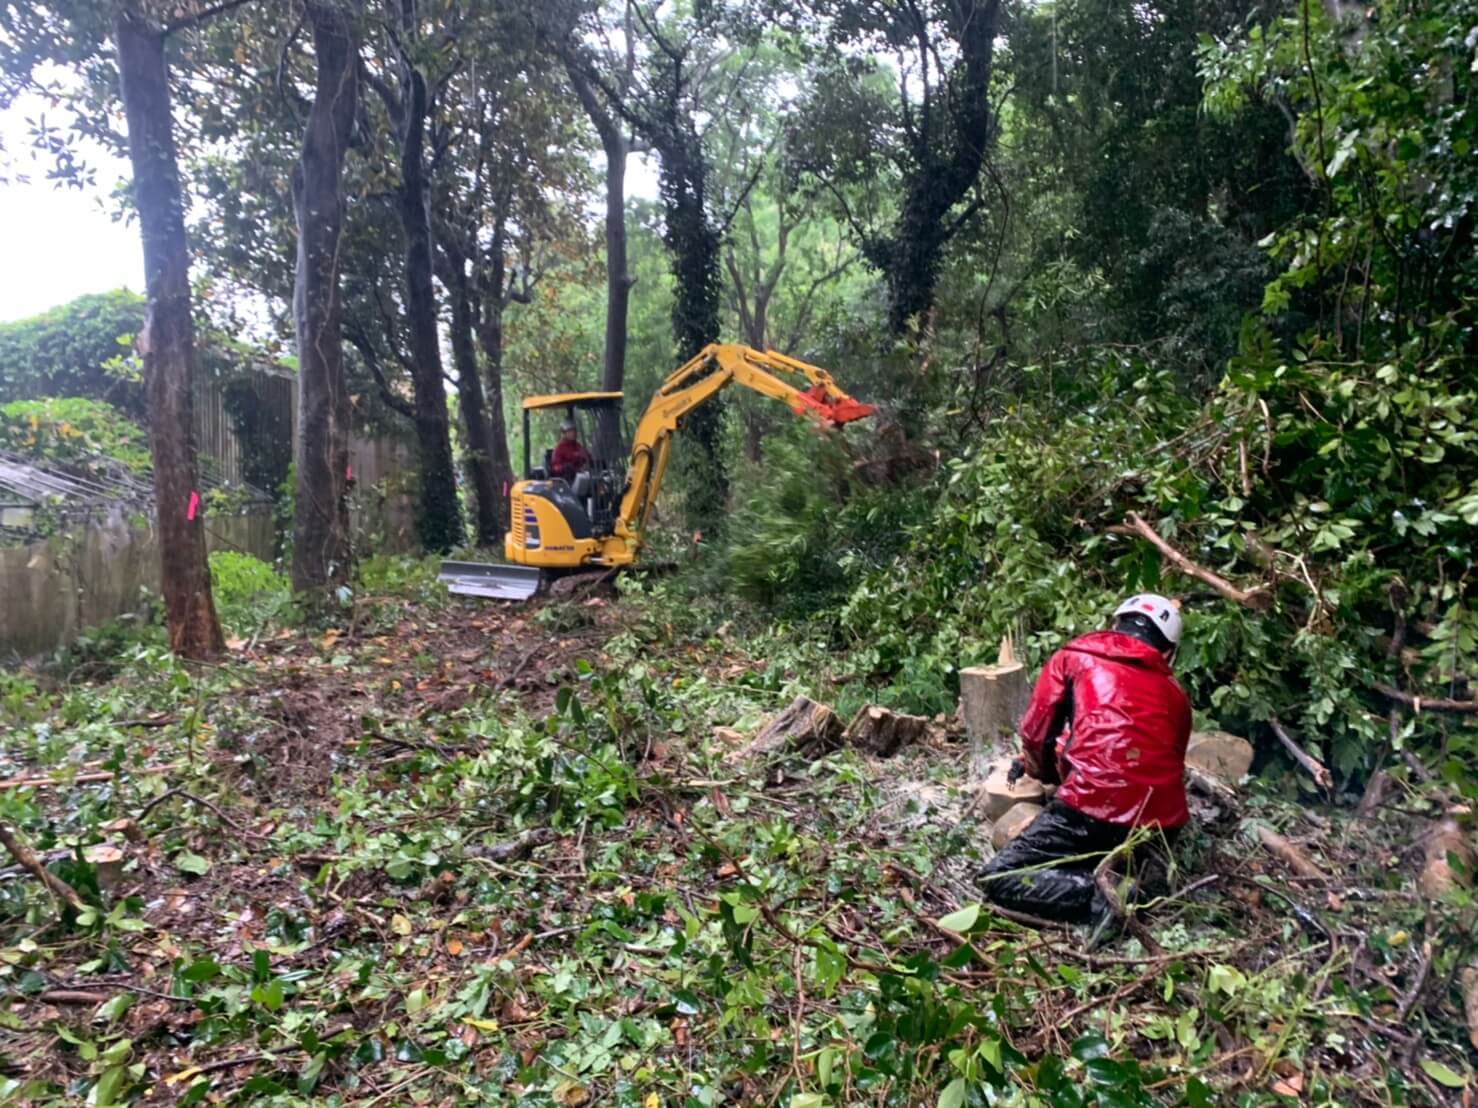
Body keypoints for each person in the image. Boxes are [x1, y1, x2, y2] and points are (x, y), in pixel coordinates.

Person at [978, 594, 1191, 937]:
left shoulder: (1074, 657)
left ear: (1113, 626)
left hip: (1091, 810)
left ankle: (1102, 896)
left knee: (999, 877)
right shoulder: (1175, 693)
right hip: (1160, 826)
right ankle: (1136, 880)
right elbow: (1168, 758)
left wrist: (1041, 772)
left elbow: (1037, 732)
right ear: (1168, 651)